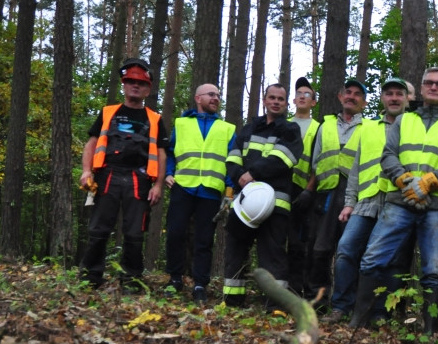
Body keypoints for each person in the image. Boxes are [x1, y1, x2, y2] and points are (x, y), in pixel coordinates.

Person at [350, 67, 438, 332]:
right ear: (422, 87)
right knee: (372, 258)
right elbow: (388, 155)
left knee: (433, 270)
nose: (434, 87)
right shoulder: (404, 121)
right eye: (429, 83)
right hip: (399, 201)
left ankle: (429, 330)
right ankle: (359, 321)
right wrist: (406, 181)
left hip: (437, 206)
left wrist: (428, 182)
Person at [324, 77, 410, 323]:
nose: (394, 98)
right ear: (382, 99)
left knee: (390, 260)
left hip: (396, 201)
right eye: (389, 94)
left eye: (399, 94)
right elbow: (355, 169)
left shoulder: (412, 127)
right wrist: (349, 202)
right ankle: (342, 307)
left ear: (407, 99)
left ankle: (381, 312)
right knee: (346, 250)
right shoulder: (369, 128)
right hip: (365, 202)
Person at [78, 58, 167, 291]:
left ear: (148, 89)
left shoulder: (155, 119)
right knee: (98, 229)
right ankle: (90, 278)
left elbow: (161, 153)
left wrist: (158, 185)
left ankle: (132, 281)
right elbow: (92, 142)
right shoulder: (108, 112)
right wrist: (86, 171)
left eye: (140, 83)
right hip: (107, 175)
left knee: (135, 233)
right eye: (130, 82)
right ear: (124, 85)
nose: (135, 86)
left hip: (139, 180)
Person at [222, 83, 303, 306]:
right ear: (265, 100)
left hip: (275, 203)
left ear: (286, 104)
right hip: (244, 202)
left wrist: (252, 173)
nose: (276, 102)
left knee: (273, 253)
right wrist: (239, 175)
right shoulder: (248, 129)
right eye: (272, 97)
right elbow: (232, 157)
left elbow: (284, 158)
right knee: (235, 248)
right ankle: (232, 300)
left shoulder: (290, 130)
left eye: (281, 99)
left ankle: (277, 305)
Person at [163, 83, 236, 303]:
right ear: (198, 98)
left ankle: (199, 285)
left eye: (218, 95)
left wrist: (229, 192)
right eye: (211, 95)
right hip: (183, 185)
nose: (215, 98)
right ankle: (175, 279)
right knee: (175, 233)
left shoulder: (227, 128)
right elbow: (170, 152)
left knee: (204, 240)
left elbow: (232, 162)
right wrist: (168, 173)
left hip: (211, 191)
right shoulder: (182, 123)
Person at [305, 78, 367, 306]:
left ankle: (348, 304)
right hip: (326, 195)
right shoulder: (325, 125)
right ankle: (318, 301)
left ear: (364, 102)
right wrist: (310, 192)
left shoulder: (370, 128)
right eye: (347, 92)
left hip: (356, 196)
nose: (351, 96)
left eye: (357, 94)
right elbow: (315, 161)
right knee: (320, 249)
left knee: (352, 251)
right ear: (340, 97)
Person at [288, 76, 320, 297]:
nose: (302, 96)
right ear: (293, 99)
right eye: (299, 93)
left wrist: (309, 189)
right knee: (282, 242)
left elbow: (319, 162)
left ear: (314, 102)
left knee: (303, 244)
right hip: (281, 189)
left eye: (307, 94)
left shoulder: (319, 128)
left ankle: (303, 291)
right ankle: (283, 290)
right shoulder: (284, 123)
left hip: (305, 192)